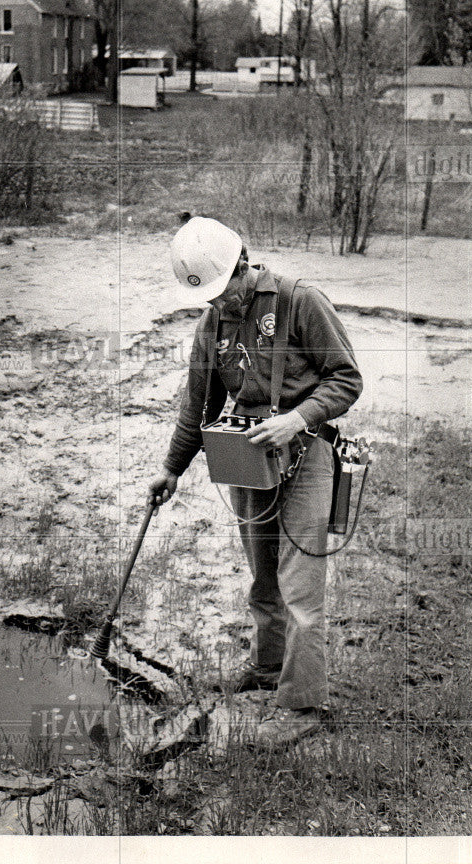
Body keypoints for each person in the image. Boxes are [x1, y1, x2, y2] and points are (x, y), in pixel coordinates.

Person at [148, 217, 363, 746]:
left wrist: (298, 418)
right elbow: (198, 404)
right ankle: (267, 670)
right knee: (262, 576)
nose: (220, 306)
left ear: (244, 265)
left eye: (225, 293)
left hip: (307, 453)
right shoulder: (212, 323)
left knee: (300, 587)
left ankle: (302, 704)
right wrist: (171, 470)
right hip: (248, 457)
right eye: (210, 300)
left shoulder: (300, 301)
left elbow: (347, 378)